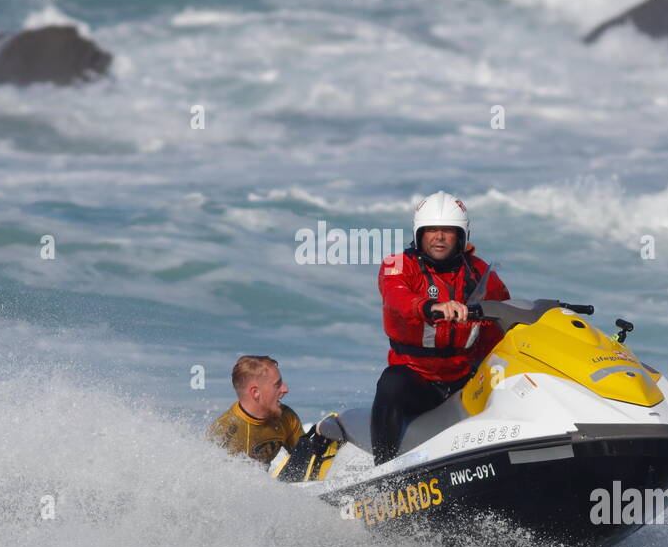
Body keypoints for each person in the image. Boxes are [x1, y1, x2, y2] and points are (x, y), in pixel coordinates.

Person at [370, 191, 509, 464]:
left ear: (462, 236)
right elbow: (398, 298)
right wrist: (430, 307)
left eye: (448, 231)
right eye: (432, 230)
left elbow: (504, 318)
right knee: (391, 383)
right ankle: (382, 470)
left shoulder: (483, 274)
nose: (439, 237)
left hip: (466, 379)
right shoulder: (396, 265)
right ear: (419, 234)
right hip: (418, 380)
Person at [207, 355, 343, 480]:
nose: (285, 389)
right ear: (255, 393)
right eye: (277, 385)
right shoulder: (226, 433)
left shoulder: (286, 417)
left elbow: (304, 463)